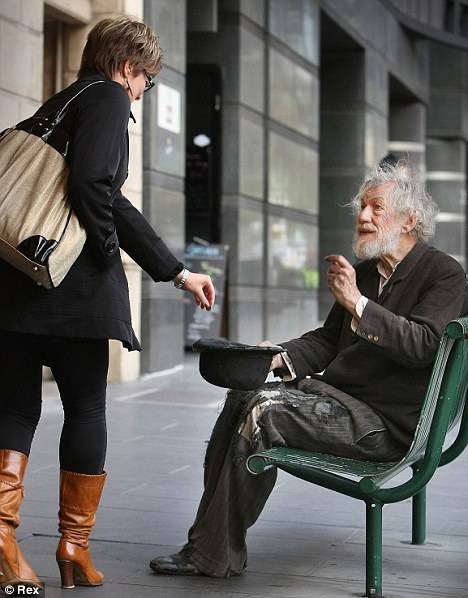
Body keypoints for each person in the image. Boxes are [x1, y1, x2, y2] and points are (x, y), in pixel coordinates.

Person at [149, 161, 466, 578]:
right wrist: (276, 357)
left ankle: (212, 553)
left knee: (263, 412)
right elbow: (328, 339)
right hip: (342, 402)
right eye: (361, 207)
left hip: (385, 425)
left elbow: (423, 345)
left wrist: (357, 303)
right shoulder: (369, 272)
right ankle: (207, 545)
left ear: (410, 220)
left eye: (376, 207)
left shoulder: (443, 273)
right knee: (244, 393)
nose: (363, 216)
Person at [0, 16, 215, 592]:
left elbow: (108, 197)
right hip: (69, 295)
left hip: (14, 287)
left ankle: (3, 538)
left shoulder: (60, 103)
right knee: (87, 409)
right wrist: (107, 255)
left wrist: (175, 271)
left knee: (16, 410)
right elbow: (96, 188)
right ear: (128, 67)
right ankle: (73, 547)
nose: (143, 91)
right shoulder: (109, 99)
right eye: (145, 80)